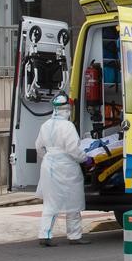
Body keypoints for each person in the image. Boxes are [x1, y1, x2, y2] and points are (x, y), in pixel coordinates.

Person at [35, 92, 94, 247]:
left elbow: (39, 148)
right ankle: (74, 236)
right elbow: (73, 149)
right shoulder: (68, 126)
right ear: (67, 109)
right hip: (67, 167)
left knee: (50, 202)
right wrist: (86, 159)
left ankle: (45, 234)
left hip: (48, 166)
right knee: (73, 202)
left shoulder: (45, 125)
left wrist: (50, 157)